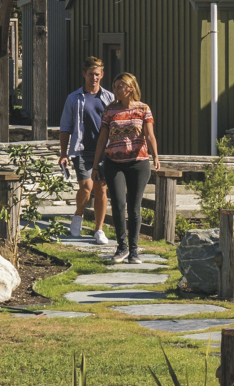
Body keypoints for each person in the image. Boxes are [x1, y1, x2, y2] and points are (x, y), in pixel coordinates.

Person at [93, 72, 159, 264]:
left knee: (134, 206)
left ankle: (134, 251)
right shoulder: (110, 110)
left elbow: (149, 135)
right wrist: (96, 165)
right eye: (114, 87)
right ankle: (122, 247)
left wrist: (155, 156)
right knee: (119, 204)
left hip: (138, 162)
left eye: (119, 86)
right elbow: (102, 138)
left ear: (130, 88)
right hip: (114, 163)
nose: (115, 90)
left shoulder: (143, 109)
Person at [58, 57, 115, 245]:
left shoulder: (109, 98)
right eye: (91, 74)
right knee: (86, 187)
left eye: (97, 74)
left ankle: (99, 229)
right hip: (82, 149)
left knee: (101, 188)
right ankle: (79, 214)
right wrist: (63, 154)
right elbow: (65, 127)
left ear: (102, 75)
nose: (94, 78)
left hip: (104, 151)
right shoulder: (74, 98)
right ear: (84, 74)